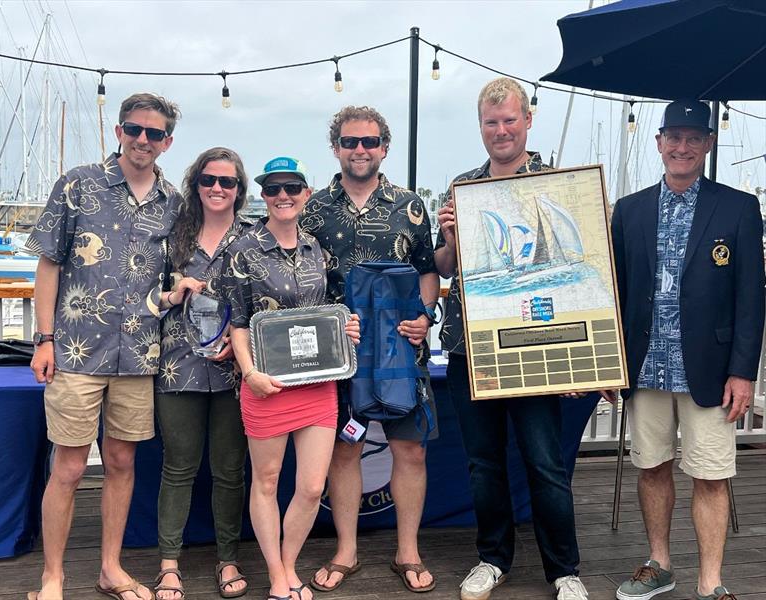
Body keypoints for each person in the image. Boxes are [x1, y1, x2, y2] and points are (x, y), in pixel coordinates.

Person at [435, 77, 592, 600]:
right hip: (470, 348)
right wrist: (453, 239)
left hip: (537, 347)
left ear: (528, 120)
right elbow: (443, 268)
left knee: (546, 463)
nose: (500, 130)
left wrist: (580, 361)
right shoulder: (462, 185)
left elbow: (582, 273)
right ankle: (492, 558)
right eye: (490, 122)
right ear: (480, 126)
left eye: (509, 120)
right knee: (483, 464)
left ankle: (564, 569)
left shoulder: (558, 183)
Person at [25, 93, 181, 600]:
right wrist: (43, 339)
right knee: (68, 467)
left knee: (120, 463)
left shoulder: (173, 202)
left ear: (167, 142)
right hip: (74, 350)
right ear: (118, 131)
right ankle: (53, 576)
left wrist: (180, 294)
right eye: (134, 129)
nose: (142, 139)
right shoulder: (77, 184)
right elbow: (48, 263)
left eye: (154, 133)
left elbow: (171, 275)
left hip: (139, 354)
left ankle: (110, 568)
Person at [611, 100, 765, 600]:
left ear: (707, 145)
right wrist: (610, 365)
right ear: (659, 142)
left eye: (692, 138)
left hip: (711, 371)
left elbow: (750, 299)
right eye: (673, 136)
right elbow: (613, 293)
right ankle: (659, 563)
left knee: (711, 475)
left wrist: (744, 372)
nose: (682, 147)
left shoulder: (739, 208)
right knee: (651, 467)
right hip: (646, 365)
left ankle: (710, 581)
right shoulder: (628, 210)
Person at [301, 106, 440, 594]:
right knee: (344, 449)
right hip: (340, 356)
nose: (360, 149)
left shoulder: (411, 205)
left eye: (370, 141)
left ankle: (408, 550)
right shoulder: (312, 208)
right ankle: (347, 550)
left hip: (402, 350)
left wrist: (425, 316)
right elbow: (303, 282)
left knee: (410, 451)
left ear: (385, 147)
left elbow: (429, 269)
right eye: (350, 141)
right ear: (336, 146)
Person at [224, 156, 360, 600]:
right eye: (273, 189)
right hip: (266, 385)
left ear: (305, 194)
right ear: (263, 196)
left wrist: (348, 329)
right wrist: (249, 373)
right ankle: (278, 577)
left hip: (317, 386)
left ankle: (288, 565)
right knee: (266, 481)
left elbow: (330, 314)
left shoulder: (318, 249)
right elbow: (238, 322)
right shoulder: (242, 250)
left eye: (292, 188)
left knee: (312, 486)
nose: (282, 196)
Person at [152, 148, 253, 600]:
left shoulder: (252, 238)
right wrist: (175, 293)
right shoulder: (173, 236)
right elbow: (147, 295)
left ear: (239, 190)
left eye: (227, 182)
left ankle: (227, 560)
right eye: (209, 179)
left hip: (236, 372)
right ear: (196, 183)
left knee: (231, 470)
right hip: (177, 368)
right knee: (178, 468)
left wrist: (242, 342)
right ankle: (168, 564)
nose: (217, 188)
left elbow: (264, 303)